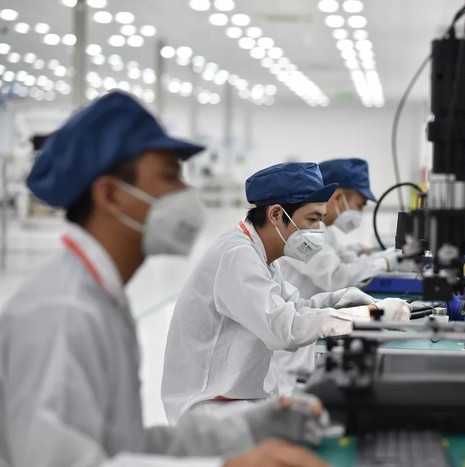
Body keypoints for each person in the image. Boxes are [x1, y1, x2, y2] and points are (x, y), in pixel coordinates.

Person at [0, 91, 329, 467]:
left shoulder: (99, 295)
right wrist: (226, 465)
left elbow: (124, 444)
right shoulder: (63, 311)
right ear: (111, 195)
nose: (186, 193)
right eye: (170, 177)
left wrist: (251, 427)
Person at [161, 161, 411, 423]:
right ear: (276, 214)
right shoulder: (237, 255)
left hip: (239, 399)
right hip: (209, 411)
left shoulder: (261, 254)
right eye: (312, 219)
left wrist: (342, 300)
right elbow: (284, 328)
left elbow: (295, 305)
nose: (318, 231)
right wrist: (369, 316)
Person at [278, 158, 404, 298]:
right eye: (360, 205)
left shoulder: (326, 229)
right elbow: (336, 277)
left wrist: (388, 256)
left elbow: (348, 261)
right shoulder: (303, 229)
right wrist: (386, 263)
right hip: (297, 309)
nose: (360, 213)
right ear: (338, 198)